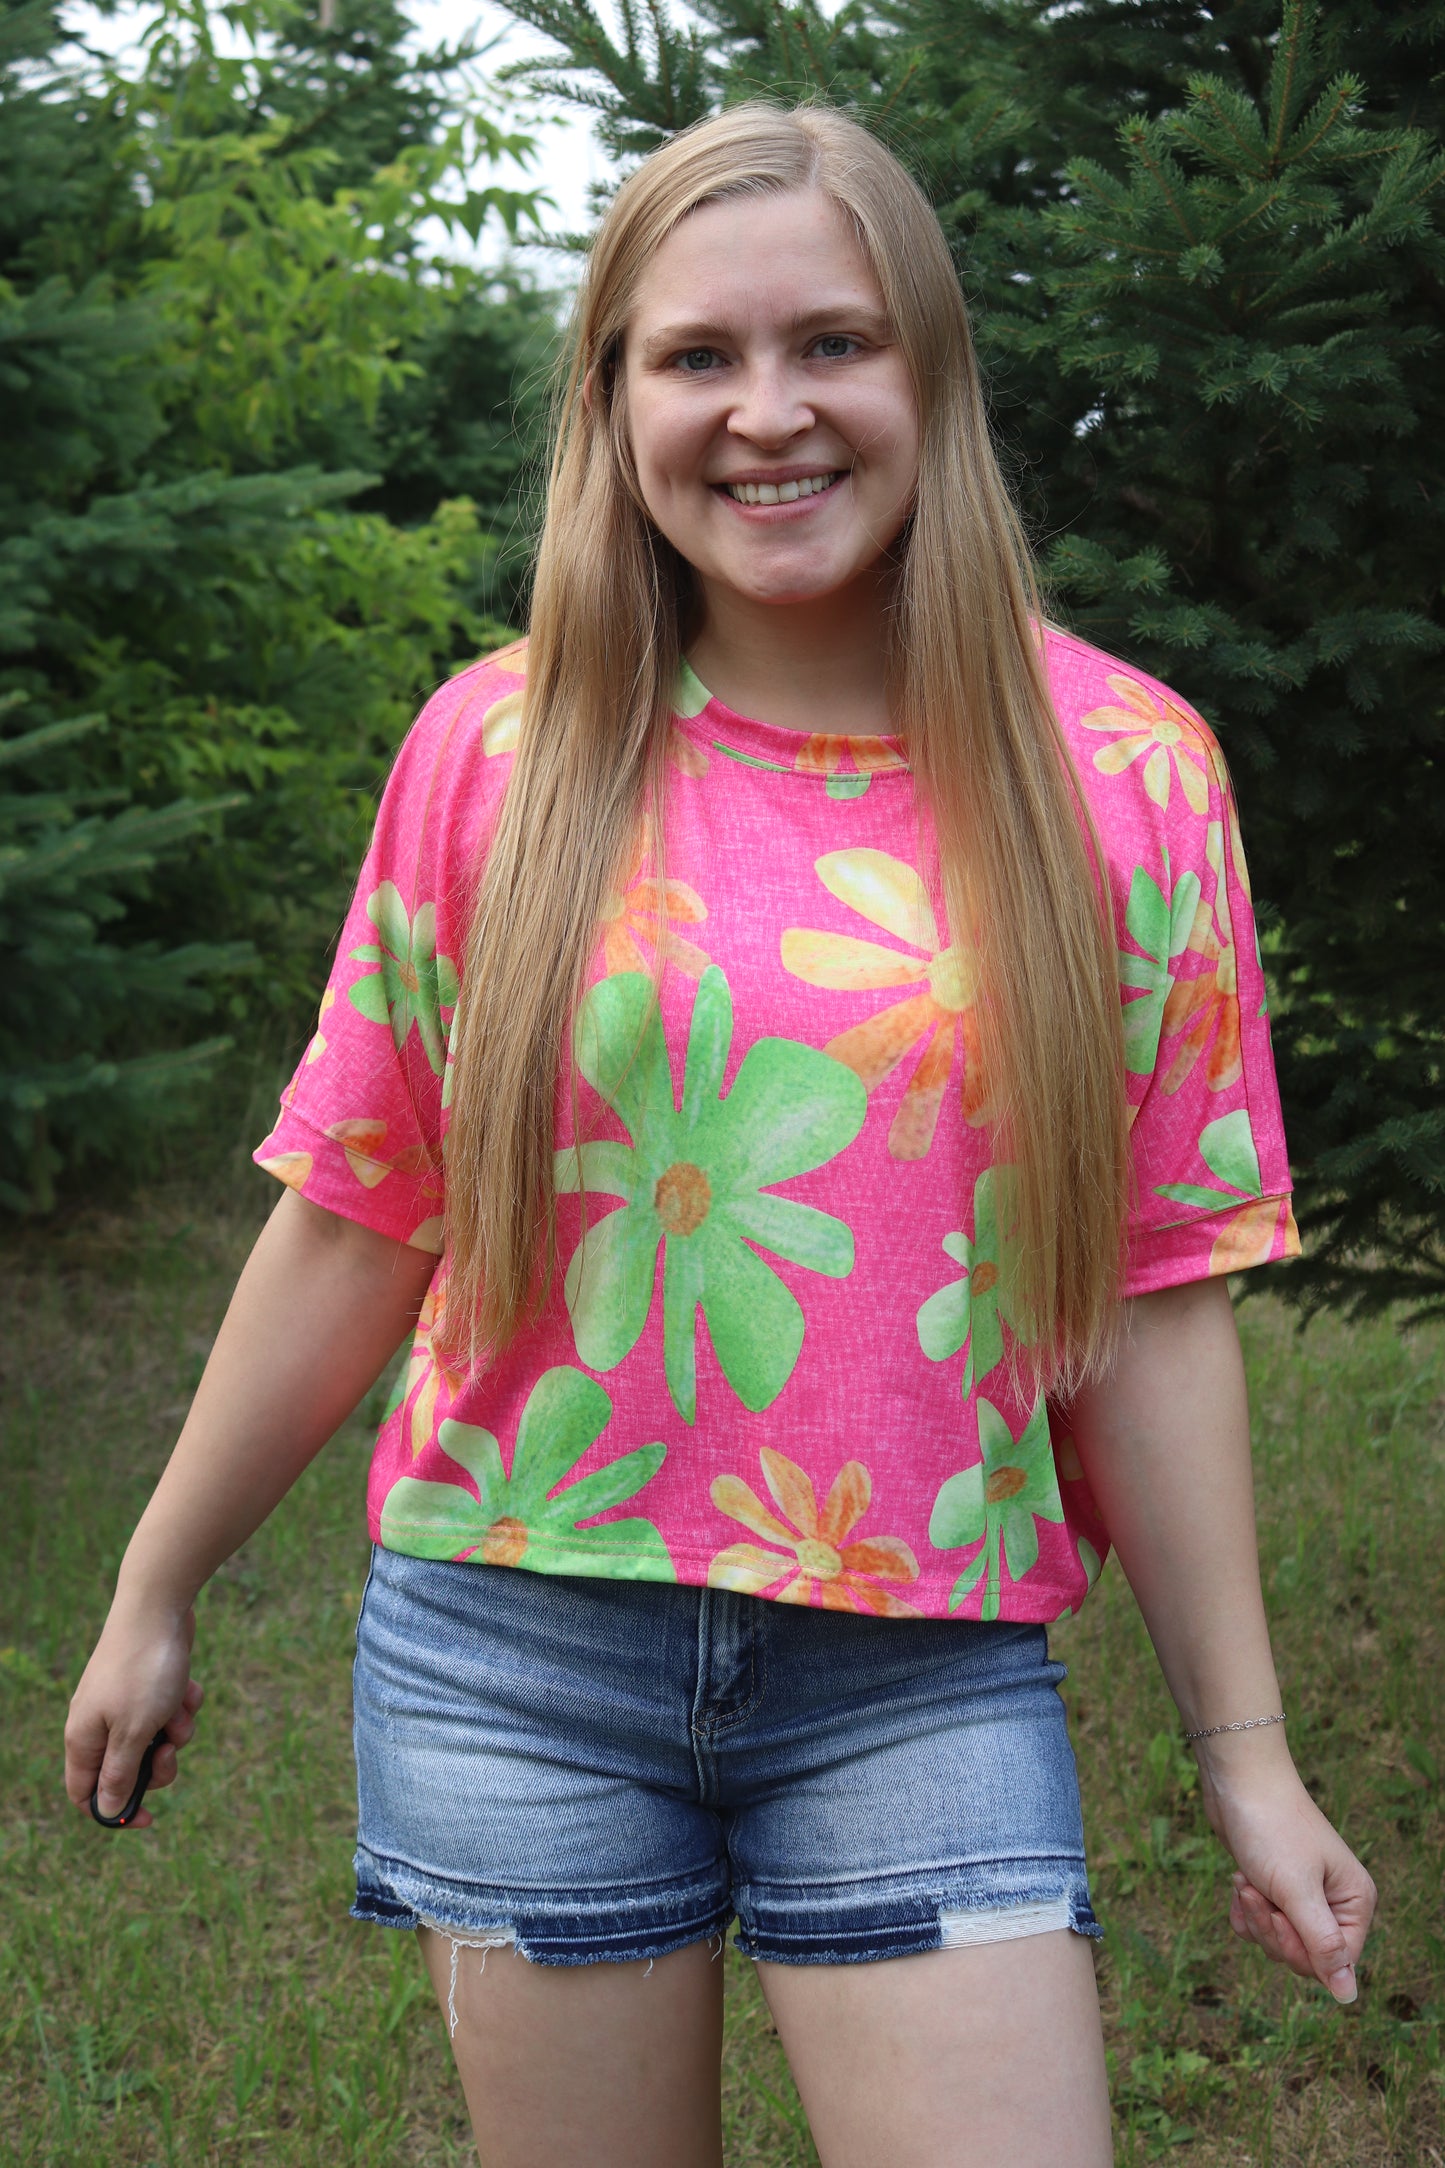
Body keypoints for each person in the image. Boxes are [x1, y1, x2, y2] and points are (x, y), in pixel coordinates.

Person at [65, 102, 1375, 2168]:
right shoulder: (497, 747)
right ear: (615, 398)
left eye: (834, 343)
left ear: (929, 372)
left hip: (920, 1676)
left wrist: (1249, 1754)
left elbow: (1157, 1294)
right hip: (516, 1654)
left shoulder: (1121, 772)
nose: (772, 414)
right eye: (698, 357)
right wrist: (158, 1581)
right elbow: (356, 1214)